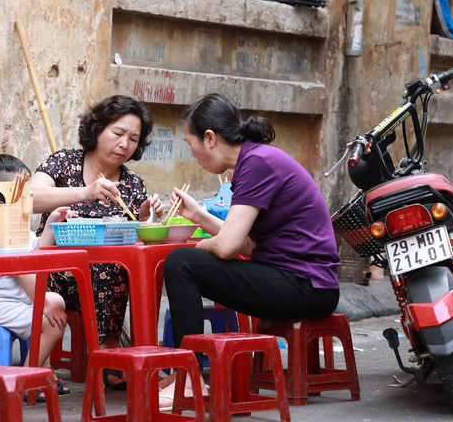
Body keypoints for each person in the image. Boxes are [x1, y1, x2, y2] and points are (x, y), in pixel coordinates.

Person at [159, 93, 341, 405]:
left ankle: (187, 377)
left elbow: (229, 247)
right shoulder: (255, 160)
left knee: (181, 262)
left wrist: (199, 245)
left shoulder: (257, 164)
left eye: (191, 145)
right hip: (301, 281)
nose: (193, 155)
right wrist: (199, 217)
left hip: (306, 285)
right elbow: (244, 242)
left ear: (210, 138)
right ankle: (187, 373)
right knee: (187, 260)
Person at [30, 95, 164, 389]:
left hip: (103, 282)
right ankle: (101, 354)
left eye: (133, 139)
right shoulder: (64, 162)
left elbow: (138, 236)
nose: (124, 144)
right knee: (102, 269)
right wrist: (85, 192)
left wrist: (145, 218)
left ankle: (110, 348)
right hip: (54, 272)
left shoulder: (132, 184)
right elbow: (29, 200)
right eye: (118, 133)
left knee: (112, 267)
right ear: (98, 129)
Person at [0, 154, 71, 401]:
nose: (31, 194)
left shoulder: (18, 226)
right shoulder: (0, 229)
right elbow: (22, 274)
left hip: (15, 302)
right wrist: (44, 305)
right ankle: (27, 381)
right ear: (0, 196)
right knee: (53, 323)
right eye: (23, 189)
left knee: (57, 302)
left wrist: (52, 222)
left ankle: (37, 373)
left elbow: (36, 256)